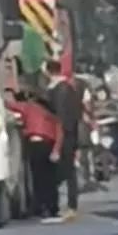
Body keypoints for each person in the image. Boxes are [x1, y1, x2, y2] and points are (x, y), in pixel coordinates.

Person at [6, 88, 63, 220]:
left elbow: (10, 105)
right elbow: (60, 133)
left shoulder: (30, 107)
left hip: (36, 145)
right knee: (50, 179)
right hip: (49, 145)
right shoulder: (52, 114)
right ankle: (53, 207)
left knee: (38, 178)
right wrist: (56, 150)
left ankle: (42, 207)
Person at [43, 60, 81, 219]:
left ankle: (66, 205)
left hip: (62, 134)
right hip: (69, 133)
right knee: (69, 170)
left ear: (48, 71)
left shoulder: (59, 89)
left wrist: (57, 143)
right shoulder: (69, 88)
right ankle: (69, 205)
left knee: (64, 171)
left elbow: (59, 116)